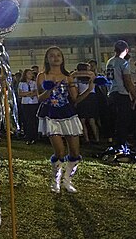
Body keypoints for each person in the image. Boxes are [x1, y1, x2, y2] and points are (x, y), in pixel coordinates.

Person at [37, 47, 95, 194]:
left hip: (67, 113)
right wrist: (49, 90)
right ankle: (55, 181)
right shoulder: (42, 76)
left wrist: (89, 89)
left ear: (62, 58)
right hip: (50, 114)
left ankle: (67, 181)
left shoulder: (68, 76)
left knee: (75, 152)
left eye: (58, 55)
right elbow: (40, 98)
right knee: (60, 152)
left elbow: (75, 99)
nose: (55, 58)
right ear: (47, 59)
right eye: (52, 56)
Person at [106, 40, 136, 148]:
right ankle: (122, 142)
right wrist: (134, 95)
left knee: (114, 118)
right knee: (123, 119)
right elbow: (127, 81)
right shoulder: (123, 62)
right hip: (121, 93)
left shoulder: (109, 61)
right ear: (126, 50)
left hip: (111, 92)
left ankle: (115, 140)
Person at [75, 63, 101, 144]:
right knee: (92, 120)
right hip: (91, 98)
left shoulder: (76, 79)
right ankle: (97, 139)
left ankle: (87, 139)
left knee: (83, 120)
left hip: (82, 98)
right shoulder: (91, 77)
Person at [18, 68, 39, 144]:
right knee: (27, 120)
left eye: (31, 73)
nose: (31, 75)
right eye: (29, 73)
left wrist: (26, 93)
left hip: (34, 103)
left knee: (33, 120)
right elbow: (20, 94)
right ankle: (28, 137)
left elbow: (36, 92)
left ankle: (35, 137)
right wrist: (30, 93)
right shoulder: (21, 84)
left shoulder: (34, 83)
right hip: (25, 103)